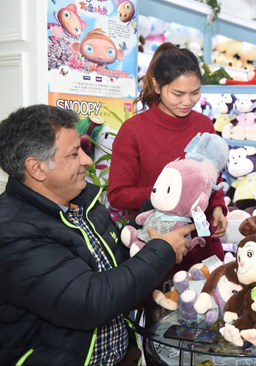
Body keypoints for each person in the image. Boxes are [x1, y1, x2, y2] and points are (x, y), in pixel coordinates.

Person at [0, 104, 192, 365]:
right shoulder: (12, 230)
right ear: (37, 168)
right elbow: (88, 302)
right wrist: (163, 250)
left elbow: (119, 266)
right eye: (74, 153)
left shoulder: (84, 203)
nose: (87, 161)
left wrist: (161, 210)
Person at [108, 42, 227, 274]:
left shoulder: (204, 125)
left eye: (195, 92)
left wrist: (217, 206)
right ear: (157, 85)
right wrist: (168, 193)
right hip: (157, 248)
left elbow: (211, 176)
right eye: (178, 93)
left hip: (203, 247)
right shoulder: (134, 130)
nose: (187, 102)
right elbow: (118, 194)